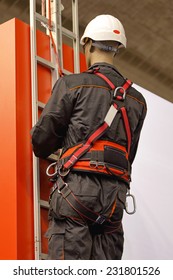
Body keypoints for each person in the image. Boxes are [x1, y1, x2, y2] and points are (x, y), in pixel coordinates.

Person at [31, 14, 147, 260]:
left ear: (89, 44)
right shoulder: (137, 100)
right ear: (117, 49)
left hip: (76, 191)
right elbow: (129, 155)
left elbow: (41, 143)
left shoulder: (72, 85)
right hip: (115, 197)